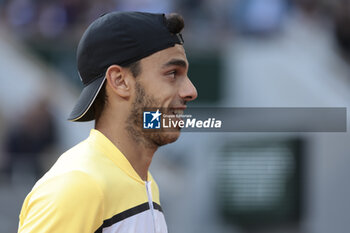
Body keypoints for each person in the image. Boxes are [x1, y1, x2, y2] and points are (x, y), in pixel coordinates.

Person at [17, 11, 197, 233]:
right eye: (172, 73)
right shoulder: (79, 185)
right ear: (120, 81)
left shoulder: (146, 182)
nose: (191, 91)